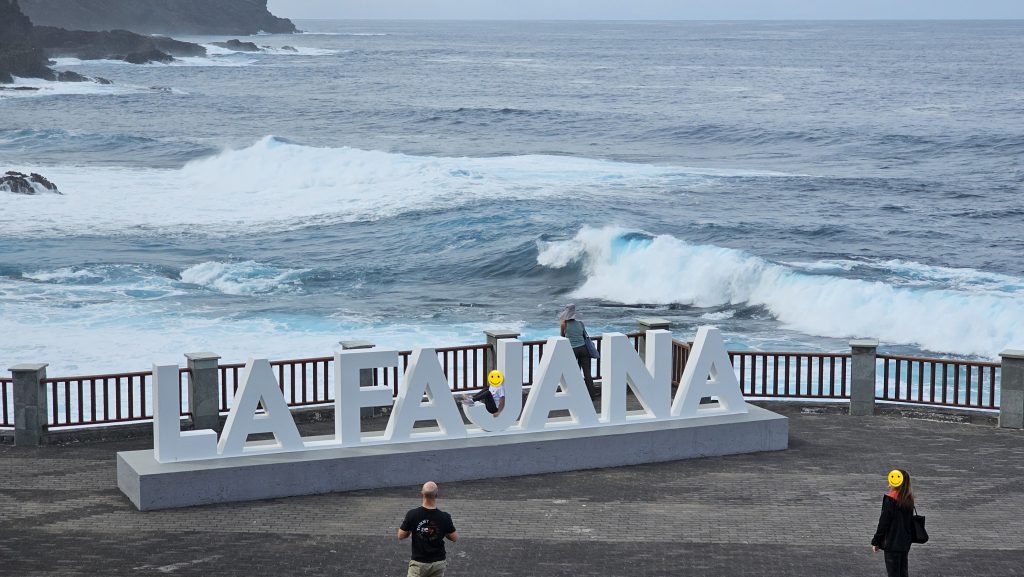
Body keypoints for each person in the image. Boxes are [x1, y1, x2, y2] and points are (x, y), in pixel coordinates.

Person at [398, 481, 458, 577]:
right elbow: (454, 538)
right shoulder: (444, 517)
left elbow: (401, 535)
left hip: (418, 564)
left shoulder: (412, 514)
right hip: (438, 562)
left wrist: (410, 529)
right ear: (437, 495)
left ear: (422, 493)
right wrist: (443, 530)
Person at [872, 469, 916, 577]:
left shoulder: (890, 499)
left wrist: (876, 541)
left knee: (893, 573)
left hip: (892, 543)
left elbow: (883, 523)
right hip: (904, 542)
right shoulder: (908, 499)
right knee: (903, 572)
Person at [559, 303, 598, 399]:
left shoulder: (564, 324)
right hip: (584, 349)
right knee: (587, 373)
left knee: (574, 373)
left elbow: (562, 337)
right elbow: (584, 335)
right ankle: (591, 395)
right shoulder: (580, 323)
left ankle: (575, 394)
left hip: (572, 350)